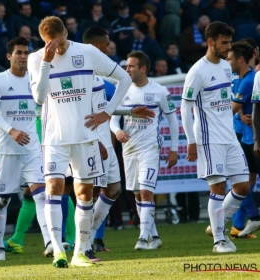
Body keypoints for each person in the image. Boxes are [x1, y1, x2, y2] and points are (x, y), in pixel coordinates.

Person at [27, 16, 153, 268]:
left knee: (84, 193)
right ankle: (59, 252)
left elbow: (124, 79)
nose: (58, 48)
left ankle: (80, 253)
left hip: (85, 137)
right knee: (53, 189)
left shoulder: (86, 52)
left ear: (66, 32)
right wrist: (46, 64)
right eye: (51, 44)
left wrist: (107, 112)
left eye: (60, 42)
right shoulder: (36, 58)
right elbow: (39, 99)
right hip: (55, 138)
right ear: (44, 41)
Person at [180, 21, 249, 253]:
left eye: (229, 41)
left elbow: (224, 102)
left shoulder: (226, 68)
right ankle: (219, 239)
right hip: (209, 138)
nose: (228, 47)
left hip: (229, 136)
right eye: (224, 42)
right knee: (218, 186)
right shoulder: (197, 71)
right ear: (210, 42)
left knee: (242, 186)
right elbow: (184, 107)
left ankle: (217, 223)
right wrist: (191, 140)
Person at [0, 37, 51, 261]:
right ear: (9, 56)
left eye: (25, 52)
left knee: (41, 196)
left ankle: (50, 243)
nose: (23, 56)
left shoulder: (35, 80)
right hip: (7, 150)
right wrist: (11, 130)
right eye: (19, 53)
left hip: (32, 149)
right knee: (2, 200)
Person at [110, 51, 179, 250]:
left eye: (131, 66)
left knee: (147, 192)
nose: (127, 69)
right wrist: (117, 131)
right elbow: (113, 119)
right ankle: (154, 237)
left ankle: (142, 239)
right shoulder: (121, 90)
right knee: (138, 195)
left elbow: (173, 120)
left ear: (143, 68)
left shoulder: (159, 91)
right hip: (129, 149)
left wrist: (174, 149)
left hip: (150, 148)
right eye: (126, 66)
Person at [228, 42, 260, 238]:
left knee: (243, 181)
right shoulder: (238, 77)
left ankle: (248, 220)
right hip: (245, 136)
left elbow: (239, 104)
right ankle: (239, 225)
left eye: (230, 58)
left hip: (246, 137)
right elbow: (239, 102)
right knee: (243, 181)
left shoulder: (251, 79)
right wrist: (240, 114)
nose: (227, 61)